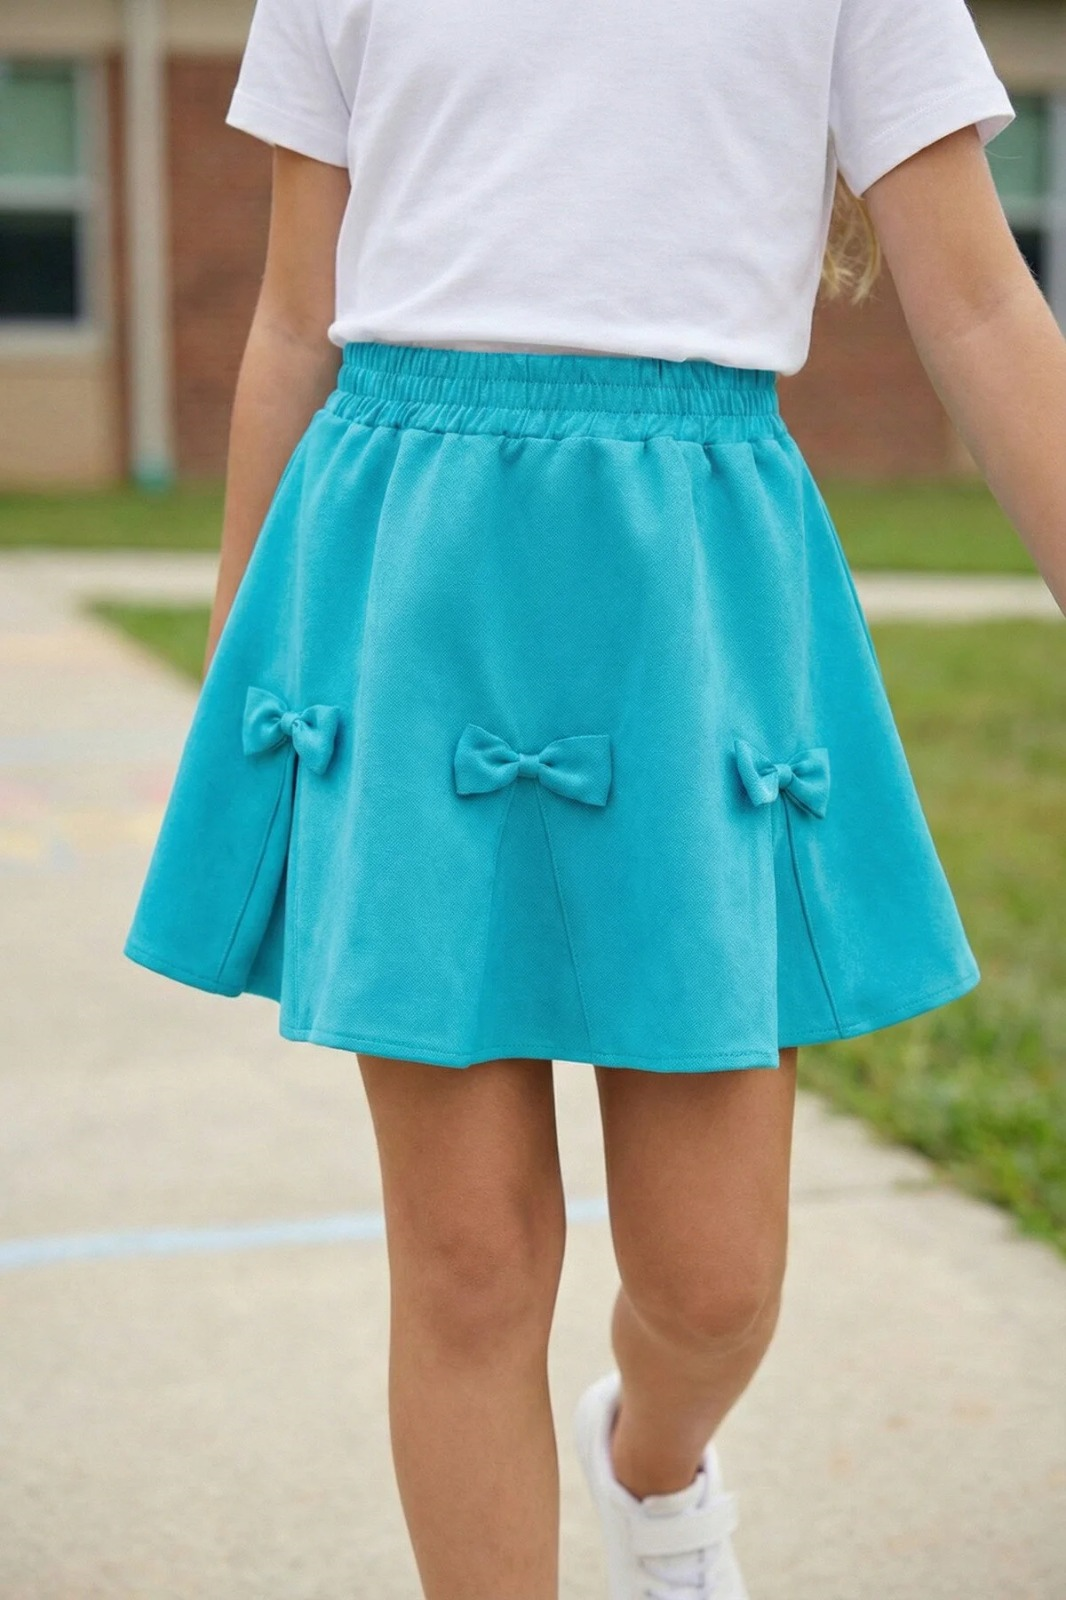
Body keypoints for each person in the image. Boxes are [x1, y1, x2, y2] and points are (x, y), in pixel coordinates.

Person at [123, 0, 1066, 1594]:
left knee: (713, 1285)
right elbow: (292, 323)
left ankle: (653, 1468)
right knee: (468, 1262)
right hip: (412, 584)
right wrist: (245, 661)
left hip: (684, 598)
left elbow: (977, 307)